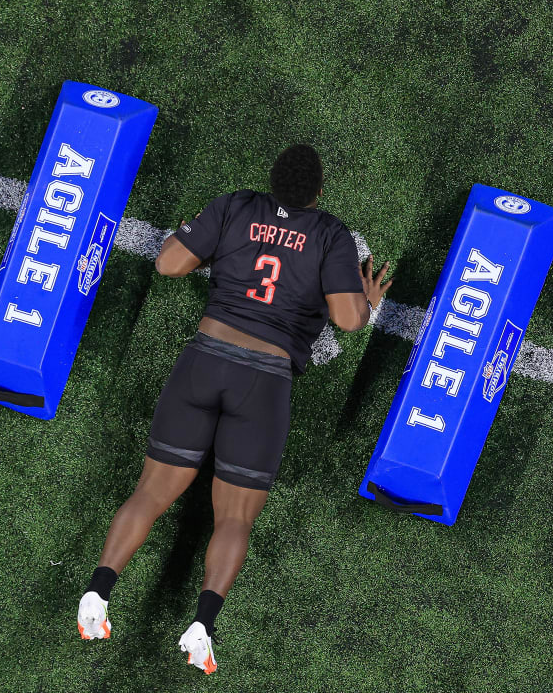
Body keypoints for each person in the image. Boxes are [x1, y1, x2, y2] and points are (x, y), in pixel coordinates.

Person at [76, 144, 395, 674]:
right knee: (235, 516)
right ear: (319, 194)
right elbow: (346, 320)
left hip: (203, 361)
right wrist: (369, 301)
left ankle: (97, 592)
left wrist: (189, 235)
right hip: (263, 383)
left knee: (150, 492)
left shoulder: (234, 206)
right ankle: (202, 627)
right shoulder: (331, 234)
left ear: (270, 182)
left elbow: (169, 263)